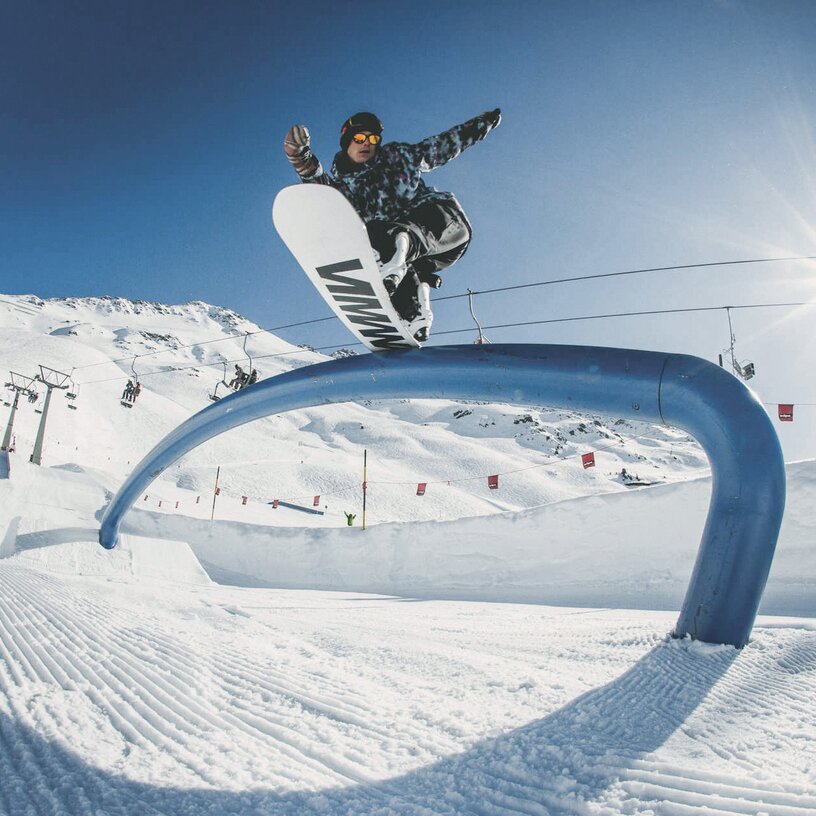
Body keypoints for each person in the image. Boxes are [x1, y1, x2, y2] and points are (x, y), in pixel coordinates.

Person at [283, 108, 501, 341]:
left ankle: (398, 253)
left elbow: (446, 144)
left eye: (373, 139)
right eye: (359, 138)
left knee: (392, 237)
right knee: (377, 239)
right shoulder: (344, 190)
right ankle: (414, 315)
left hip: (444, 228)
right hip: (414, 258)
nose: (367, 144)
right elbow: (323, 192)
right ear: (346, 143)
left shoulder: (400, 156)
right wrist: (301, 159)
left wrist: (482, 124)